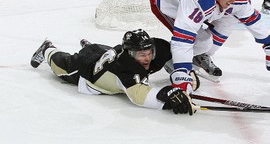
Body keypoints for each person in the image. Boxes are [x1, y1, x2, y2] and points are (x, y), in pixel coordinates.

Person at [30, 29, 195, 115]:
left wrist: (183, 72)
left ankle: (89, 45)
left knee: (100, 49)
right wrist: (166, 96)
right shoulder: (125, 70)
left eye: (148, 53)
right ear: (130, 54)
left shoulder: (154, 50)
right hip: (86, 69)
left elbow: (178, 51)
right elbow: (138, 95)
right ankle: (47, 48)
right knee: (60, 64)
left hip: (106, 53)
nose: (147, 58)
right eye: (141, 55)